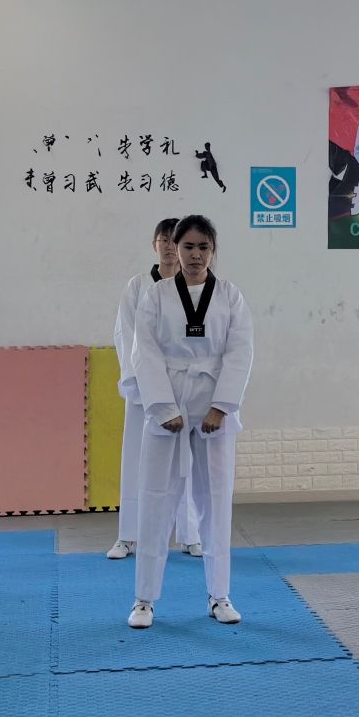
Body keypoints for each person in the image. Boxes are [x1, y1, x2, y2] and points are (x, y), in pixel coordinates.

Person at [127, 214, 253, 629]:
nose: (196, 255)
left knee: (215, 501)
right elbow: (144, 351)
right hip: (168, 407)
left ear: (213, 250)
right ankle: (144, 599)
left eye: (203, 247)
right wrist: (163, 408)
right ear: (175, 249)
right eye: (188, 247)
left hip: (213, 410)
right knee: (155, 500)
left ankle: (220, 595)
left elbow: (240, 352)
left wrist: (222, 406)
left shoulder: (230, 296)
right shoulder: (157, 295)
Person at [107, 218, 203, 561]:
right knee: (137, 459)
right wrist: (142, 383)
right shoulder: (138, 286)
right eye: (163, 240)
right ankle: (128, 536)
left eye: (173, 240)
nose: (168, 246)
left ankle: (190, 535)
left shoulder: (194, 287)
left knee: (187, 462)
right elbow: (127, 335)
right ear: (155, 245)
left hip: (184, 387)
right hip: (145, 388)